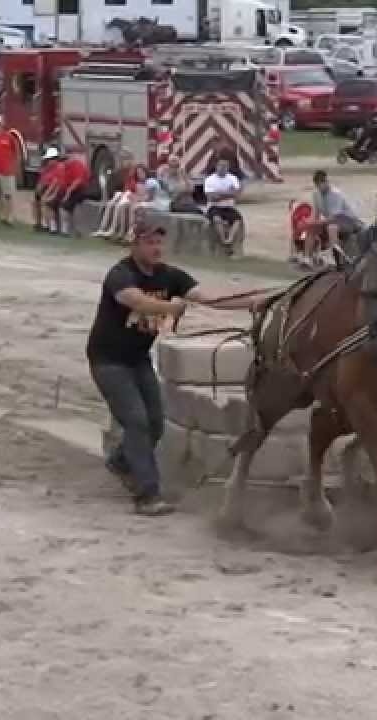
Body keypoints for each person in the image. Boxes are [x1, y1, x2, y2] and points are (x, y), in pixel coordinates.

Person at [88, 226, 267, 516]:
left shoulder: (170, 276)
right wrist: (172, 308)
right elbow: (137, 301)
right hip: (108, 360)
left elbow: (209, 299)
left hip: (137, 359)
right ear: (133, 246)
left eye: (159, 242)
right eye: (149, 243)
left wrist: (252, 302)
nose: (156, 248)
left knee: (156, 423)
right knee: (136, 422)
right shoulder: (120, 274)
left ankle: (121, 461)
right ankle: (147, 495)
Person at [309, 170, 363, 265]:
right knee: (312, 228)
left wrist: (318, 223)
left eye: (322, 183)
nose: (319, 186)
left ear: (326, 182)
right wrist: (310, 223)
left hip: (348, 220)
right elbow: (315, 214)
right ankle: (308, 256)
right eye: (317, 184)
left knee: (332, 228)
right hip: (331, 220)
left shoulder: (336, 194)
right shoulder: (316, 194)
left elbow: (335, 217)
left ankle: (335, 256)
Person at [93, 157, 145, 243]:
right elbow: (125, 188)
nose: (139, 174)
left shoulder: (146, 182)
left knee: (122, 205)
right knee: (113, 202)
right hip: (127, 196)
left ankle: (121, 232)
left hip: (134, 199)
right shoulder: (125, 174)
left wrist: (133, 196)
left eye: (141, 172)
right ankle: (104, 228)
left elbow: (143, 196)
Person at [203, 157, 243, 251]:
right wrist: (228, 193)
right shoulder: (209, 179)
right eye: (220, 166)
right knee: (217, 219)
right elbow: (210, 197)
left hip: (228, 206)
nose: (222, 168)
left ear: (228, 168)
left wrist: (219, 195)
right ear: (216, 167)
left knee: (237, 220)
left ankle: (230, 239)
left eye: (225, 166)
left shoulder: (233, 178)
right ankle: (223, 240)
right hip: (214, 207)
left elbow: (237, 194)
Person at [54, 149, 91, 236]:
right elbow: (61, 183)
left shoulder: (76, 165)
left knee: (65, 206)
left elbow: (78, 181)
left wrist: (67, 194)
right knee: (60, 203)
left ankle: (66, 230)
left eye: (64, 161)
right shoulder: (63, 168)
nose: (63, 164)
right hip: (71, 190)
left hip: (82, 188)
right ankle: (63, 229)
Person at [33, 147, 63, 233]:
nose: (48, 161)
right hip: (47, 189)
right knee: (35, 202)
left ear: (55, 159)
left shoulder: (59, 167)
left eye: (50, 159)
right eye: (48, 159)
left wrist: (47, 195)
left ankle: (51, 227)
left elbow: (56, 184)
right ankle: (38, 224)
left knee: (46, 203)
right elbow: (41, 181)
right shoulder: (46, 169)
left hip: (57, 191)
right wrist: (38, 190)